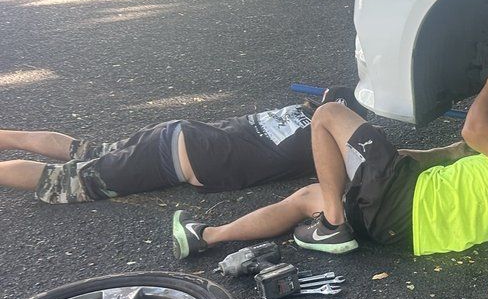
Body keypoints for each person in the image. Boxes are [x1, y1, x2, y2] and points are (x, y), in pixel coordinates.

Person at [171, 62, 488, 259]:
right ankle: (206, 235)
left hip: (402, 196)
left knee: (327, 114)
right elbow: (457, 157)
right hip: (399, 233)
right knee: (306, 194)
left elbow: (473, 132)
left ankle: (330, 225)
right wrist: (398, 156)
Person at [0, 92, 349, 205]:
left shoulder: (303, 113)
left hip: (175, 134)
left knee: (85, 150)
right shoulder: (326, 147)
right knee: (65, 180)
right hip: (174, 157)